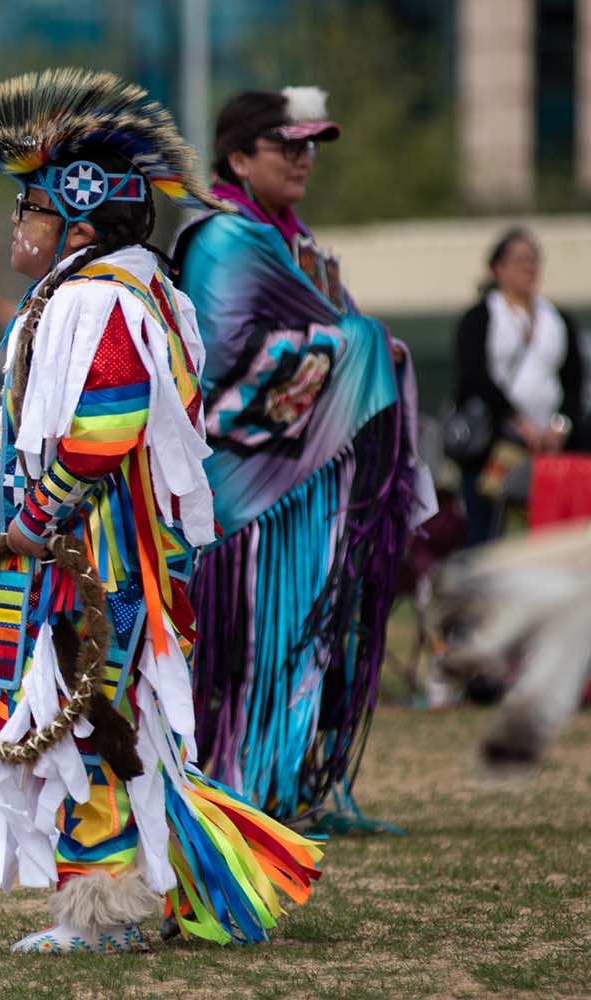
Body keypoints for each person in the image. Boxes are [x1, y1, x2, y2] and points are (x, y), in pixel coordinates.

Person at [0, 66, 323, 954]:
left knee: (87, 717)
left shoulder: (96, 297)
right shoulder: (130, 289)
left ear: (81, 218)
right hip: (115, 555)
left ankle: (103, 916)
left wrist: (40, 513)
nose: (15, 227)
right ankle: (154, 888)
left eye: (29, 209)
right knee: (110, 715)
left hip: (98, 558)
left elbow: (104, 429)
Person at [175, 88, 432, 828]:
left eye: (310, 147)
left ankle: (297, 787)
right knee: (252, 642)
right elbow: (222, 363)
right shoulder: (225, 239)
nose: (303, 159)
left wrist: (366, 345)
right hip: (242, 487)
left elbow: (334, 325)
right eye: (287, 146)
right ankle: (237, 789)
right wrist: (358, 348)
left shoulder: (298, 240)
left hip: (313, 485)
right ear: (238, 158)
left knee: (313, 638)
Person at [451, 227, 582, 546]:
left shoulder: (557, 318)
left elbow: (573, 379)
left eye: (533, 259)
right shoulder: (481, 316)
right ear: (499, 268)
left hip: (550, 445)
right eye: (520, 260)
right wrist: (516, 421)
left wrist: (559, 426)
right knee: (488, 529)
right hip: (498, 444)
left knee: (550, 530)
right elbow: (475, 376)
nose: (529, 267)